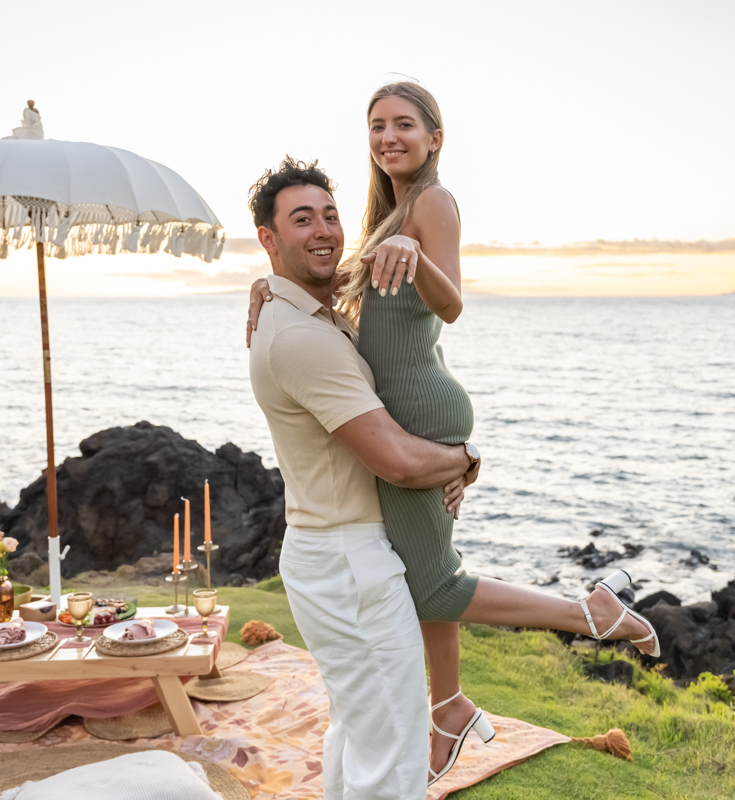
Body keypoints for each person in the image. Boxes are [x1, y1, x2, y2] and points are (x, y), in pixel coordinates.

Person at [247, 82, 660, 786]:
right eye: (376, 126)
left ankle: (581, 615)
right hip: (409, 408)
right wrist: (267, 283)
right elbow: (342, 279)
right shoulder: (390, 214)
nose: (389, 137)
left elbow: (453, 302)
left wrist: (418, 251)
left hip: (420, 410)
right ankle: (452, 704)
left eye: (404, 124)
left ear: (435, 136)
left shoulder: (430, 204)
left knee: (432, 585)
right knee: (421, 579)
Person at [246, 157, 480, 800]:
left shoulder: (312, 320)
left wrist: (265, 287)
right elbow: (399, 462)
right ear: (268, 238)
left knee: (359, 729)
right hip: (350, 562)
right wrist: (464, 460)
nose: (323, 230)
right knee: (396, 750)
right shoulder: (303, 339)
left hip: (329, 555)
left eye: (330, 215)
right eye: (301, 220)